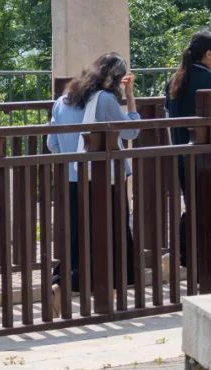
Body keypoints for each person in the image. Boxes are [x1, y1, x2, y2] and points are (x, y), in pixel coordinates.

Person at [47, 53, 141, 314]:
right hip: (104, 181)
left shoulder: (62, 101)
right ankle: (109, 298)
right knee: (112, 235)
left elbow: (52, 144)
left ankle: (61, 284)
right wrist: (131, 97)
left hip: (72, 179)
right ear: (115, 79)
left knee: (80, 239)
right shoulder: (105, 99)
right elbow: (131, 131)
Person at [164, 30, 211, 268]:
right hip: (207, 157)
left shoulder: (174, 81)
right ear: (208, 53)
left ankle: (187, 254)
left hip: (181, 153)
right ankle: (200, 258)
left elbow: (168, 117)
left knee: (193, 203)